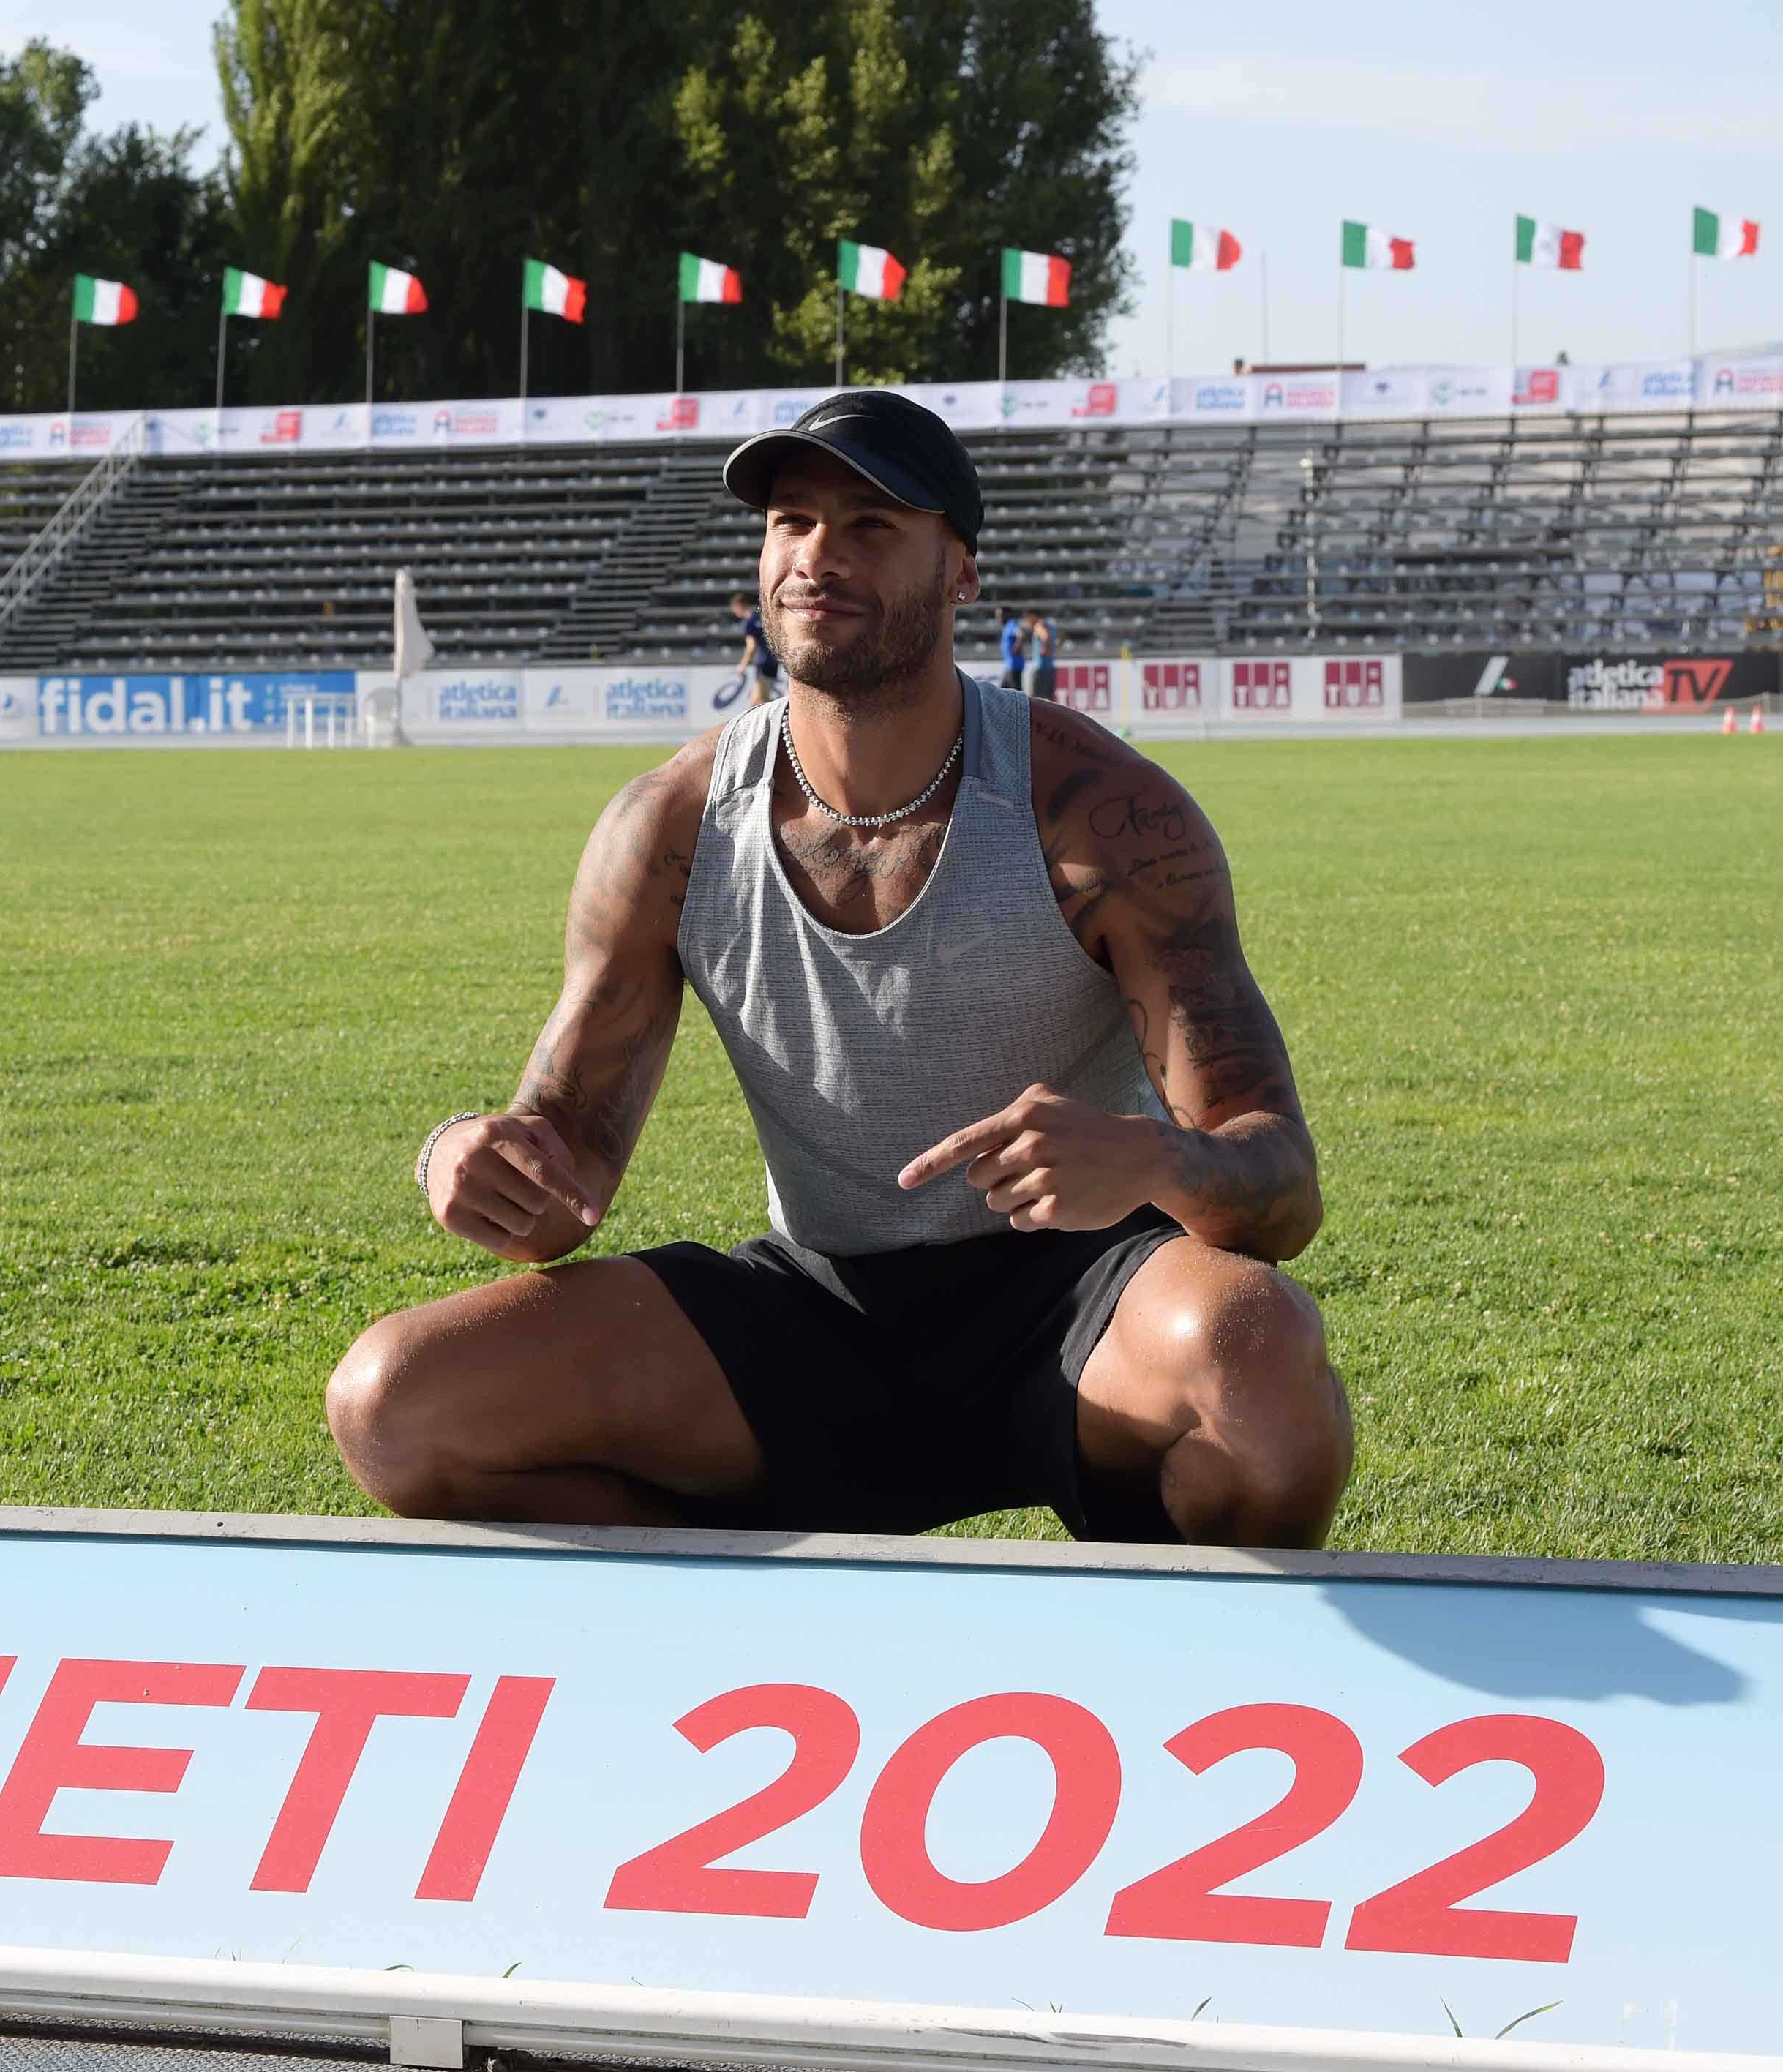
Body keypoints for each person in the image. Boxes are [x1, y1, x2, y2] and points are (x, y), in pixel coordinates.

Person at [329, 389, 1348, 1549]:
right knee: (396, 1404)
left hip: (1075, 1296)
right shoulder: (670, 826)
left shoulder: (1101, 814)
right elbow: (559, 1180)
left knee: (1259, 1366)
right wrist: (467, 1156)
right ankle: (760, 1621)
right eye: (792, 521)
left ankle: (1158, 1645)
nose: (818, 556)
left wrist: (1152, 1159)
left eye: (871, 525)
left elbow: (1284, 1187)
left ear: (961, 572)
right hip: (816, 1308)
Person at [728, 590, 780, 702]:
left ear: (739, 606)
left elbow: (751, 646)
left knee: (762, 700)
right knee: (756, 700)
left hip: (762, 663)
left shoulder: (748, 623)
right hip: (772, 661)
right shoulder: (760, 617)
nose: (735, 613)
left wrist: (742, 665)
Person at [1027, 609, 1059, 701]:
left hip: (1040, 666)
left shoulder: (1039, 625)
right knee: (1050, 698)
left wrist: (1044, 648)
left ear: (1034, 616)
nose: (1028, 621)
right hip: (1050, 666)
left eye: (1029, 618)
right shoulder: (1051, 626)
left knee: (1034, 699)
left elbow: (1045, 636)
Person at [996, 605, 1024, 692]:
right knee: (1002, 693)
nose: (998, 618)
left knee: (1016, 694)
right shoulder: (1007, 627)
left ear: (1007, 615)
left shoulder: (1012, 624)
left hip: (1014, 665)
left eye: (1000, 615)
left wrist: (1017, 645)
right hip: (1009, 666)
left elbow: (1021, 633)